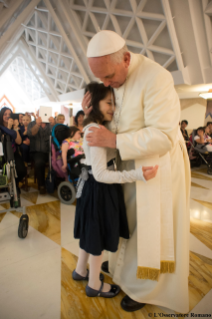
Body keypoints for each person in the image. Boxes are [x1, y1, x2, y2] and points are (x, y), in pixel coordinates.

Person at [81, 30, 190, 313]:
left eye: (108, 77)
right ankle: (123, 271)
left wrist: (115, 141)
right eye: (101, 79)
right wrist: (91, 115)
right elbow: (113, 120)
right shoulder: (112, 76)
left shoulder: (157, 78)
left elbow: (164, 136)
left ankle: (146, 286)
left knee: (147, 228)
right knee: (128, 221)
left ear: (126, 59)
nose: (106, 84)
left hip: (157, 166)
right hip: (129, 164)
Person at [73, 82, 158, 298]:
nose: (113, 108)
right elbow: (102, 174)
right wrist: (137, 174)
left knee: (90, 233)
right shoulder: (96, 131)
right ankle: (94, 284)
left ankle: (81, 270)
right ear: (95, 104)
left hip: (91, 187)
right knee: (96, 238)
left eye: (114, 102)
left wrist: (86, 112)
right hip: (99, 188)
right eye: (108, 103)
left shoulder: (94, 126)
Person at [0, 107, 27, 191]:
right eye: (5, 114)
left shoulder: (13, 128)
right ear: (1, 116)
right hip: (2, 155)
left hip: (13, 153)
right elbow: (4, 140)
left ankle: (14, 185)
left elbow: (19, 142)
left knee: (22, 171)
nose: (8, 116)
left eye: (9, 114)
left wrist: (15, 128)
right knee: (4, 171)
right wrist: (8, 127)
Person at [27, 113, 55, 194]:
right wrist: (37, 125)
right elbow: (30, 133)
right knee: (39, 162)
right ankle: (42, 185)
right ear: (37, 114)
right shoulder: (31, 123)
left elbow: (55, 135)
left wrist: (53, 124)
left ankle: (55, 183)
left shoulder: (50, 123)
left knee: (59, 160)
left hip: (50, 151)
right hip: (37, 151)